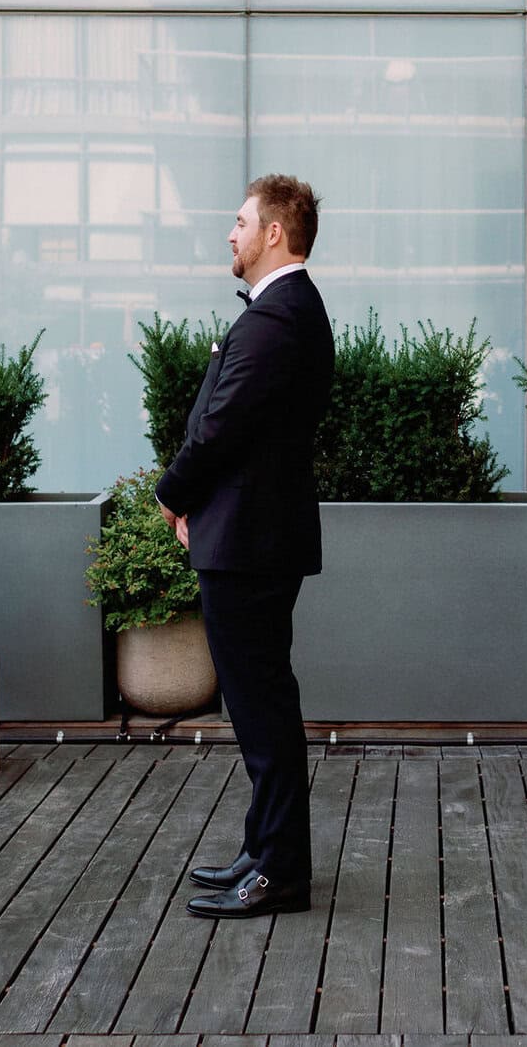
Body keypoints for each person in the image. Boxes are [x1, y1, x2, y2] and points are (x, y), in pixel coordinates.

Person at [155, 175, 334, 920]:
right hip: (255, 537)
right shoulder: (285, 311)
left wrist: (172, 493)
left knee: (261, 708)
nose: (229, 234)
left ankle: (280, 871)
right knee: (262, 702)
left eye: (239, 222)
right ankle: (265, 850)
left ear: (273, 234)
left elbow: (221, 428)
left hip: (250, 544)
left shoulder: (277, 319)